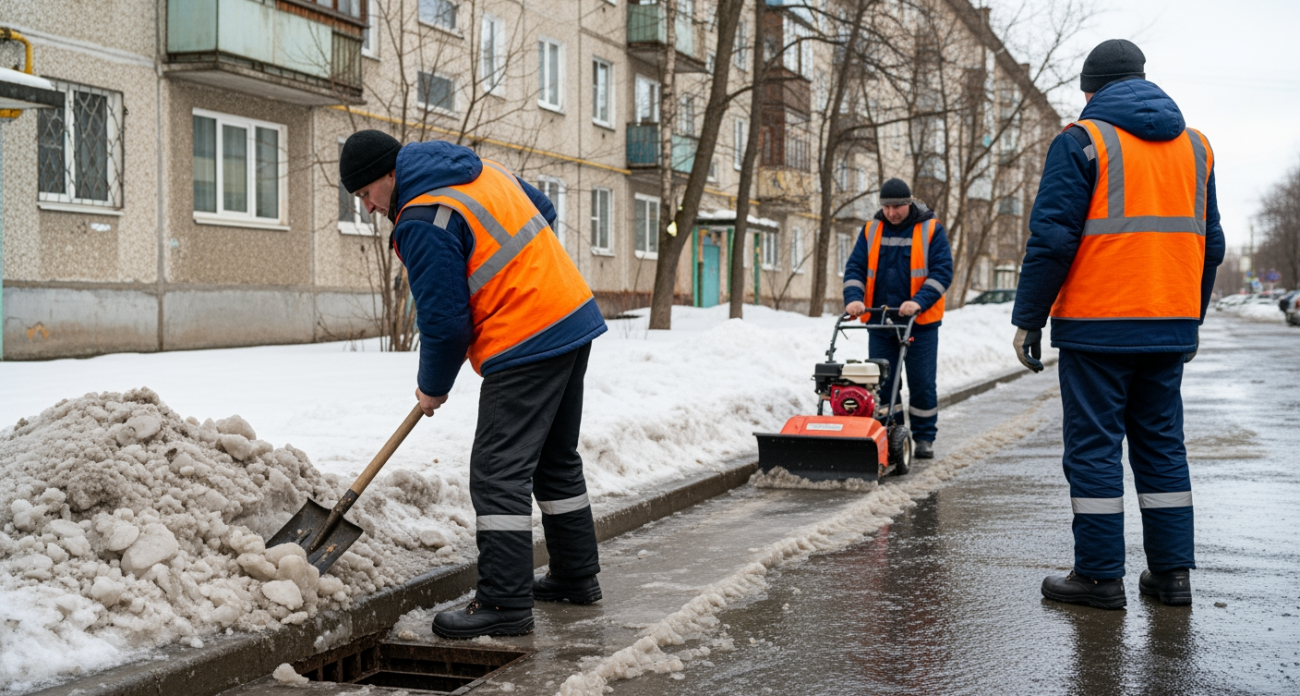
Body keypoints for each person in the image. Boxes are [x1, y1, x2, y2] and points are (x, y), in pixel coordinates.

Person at [339, 130, 608, 637]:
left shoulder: (421, 218)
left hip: (525, 336)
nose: (369, 207)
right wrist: (524, 275)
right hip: (571, 314)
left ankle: (504, 605)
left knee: (497, 472)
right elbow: (543, 211)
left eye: (365, 194)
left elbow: (444, 323)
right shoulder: (481, 171)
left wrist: (432, 385)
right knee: (554, 458)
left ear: (389, 175)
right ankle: (575, 575)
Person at [1010, 39, 1224, 609]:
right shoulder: (1197, 148)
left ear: (1089, 90)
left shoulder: (1082, 141)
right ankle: (1171, 576)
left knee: (1095, 447)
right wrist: (1190, 318)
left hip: (1098, 325)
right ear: (1144, 80)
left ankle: (1100, 578)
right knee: (1161, 445)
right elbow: (1213, 244)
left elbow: (1053, 239)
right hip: (1167, 323)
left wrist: (1029, 318)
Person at [842, 178, 953, 459]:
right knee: (883, 383)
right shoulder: (871, 230)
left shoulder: (930, 230)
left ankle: (925, 437)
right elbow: (855, 267)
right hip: (880, 321)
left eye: (898, 207)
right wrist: (854, 299)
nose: (892, 213)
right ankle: (893, 433)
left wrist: (918, 302)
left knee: (922, 381)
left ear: (909, 202)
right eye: (887, 207)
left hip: (920, 324)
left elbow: (942, 272)